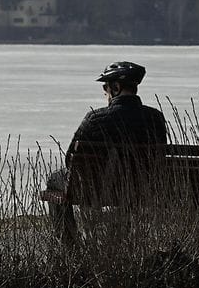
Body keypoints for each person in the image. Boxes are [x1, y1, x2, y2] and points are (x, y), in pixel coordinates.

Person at [46, 61, 167, 238]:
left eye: (106, 87)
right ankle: (123, 234)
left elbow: (71, 159)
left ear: (116, 87)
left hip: (96, 188)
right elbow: (159, 156)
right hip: (144, 187)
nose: (105, 92)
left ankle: (68, 242)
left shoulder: (96, 118)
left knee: (54, 178)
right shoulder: (155, 117)